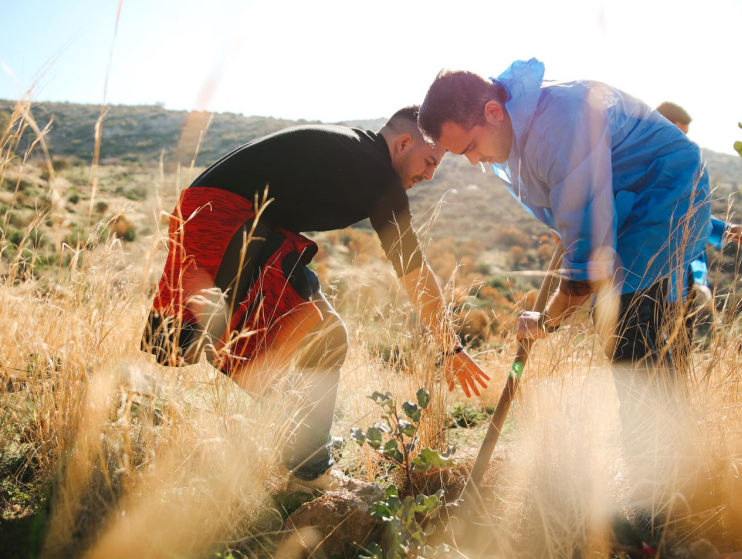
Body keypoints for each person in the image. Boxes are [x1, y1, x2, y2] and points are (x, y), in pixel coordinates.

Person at [419, 59, 711, 521]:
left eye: (471, 147)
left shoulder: (558, 124)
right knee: (635, 347)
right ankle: (667, 482)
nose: (474, 161)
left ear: (493, 111)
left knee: (636, 349)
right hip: (626, 204)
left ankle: (657, 509)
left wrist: (545, 322)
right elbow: (570, 204)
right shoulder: (517, 124)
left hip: (661, 202)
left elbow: (585, 269)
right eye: (463, 155)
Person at [142, 106, 490, 487]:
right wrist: (450, 349)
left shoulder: (358, 153)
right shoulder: (375, 171)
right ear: (404, 142)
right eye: (429, 161)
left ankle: (305, 446)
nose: (429, 174)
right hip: (226, 218)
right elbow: (414, 271)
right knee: (310, 339)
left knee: (323, 338)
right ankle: (308, 469)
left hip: (245, 221)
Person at [655, 101, 742, 289]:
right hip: (653, 275)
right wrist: (721, 230)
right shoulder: (647, 163)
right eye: (680, 133)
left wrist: (723, 229)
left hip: (680, 275)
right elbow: (666, 214)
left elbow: (681, 210)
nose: (684, 141)